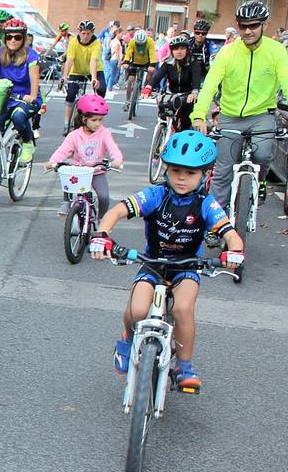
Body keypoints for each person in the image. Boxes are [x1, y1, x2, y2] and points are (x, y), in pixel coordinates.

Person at [89, 131, 245, 392]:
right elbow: (117, 211)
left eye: (190, 173)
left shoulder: (206, 204)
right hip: (152, 262)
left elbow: (231, 235)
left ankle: (184, 367)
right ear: (167, 170)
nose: (181, 178)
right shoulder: (156, 195)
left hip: (187, 266)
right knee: (137, 311)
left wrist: (234, 252)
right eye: (175, 171)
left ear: (205, 175)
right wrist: (101, 236)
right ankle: (127, 341)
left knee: (183, 308)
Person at [189, 0, 288, 214]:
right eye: (243, 26)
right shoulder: (228, 53)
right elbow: (209, 85)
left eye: (253, 25)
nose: (247, 31)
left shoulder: (276, 51)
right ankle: (216, 223)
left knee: (262, 155)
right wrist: (199, 115)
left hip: (262, 115)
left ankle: (260, 182)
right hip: (230, 115)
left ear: (264, 25)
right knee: (223, 171)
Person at [0, 17, 41, 167]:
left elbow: (34, 78)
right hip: (4, 97)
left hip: (25, 96)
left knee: (18, 116)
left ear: (23, 39)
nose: (13, 40)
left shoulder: (31, 55)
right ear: (4, 38)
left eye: (17, 37)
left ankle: (27, 142)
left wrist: (33, 96)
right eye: (9, 36)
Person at [47, 94, 122, 217]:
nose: (98, 123)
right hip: (78, 171)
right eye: (94, 120)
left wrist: (117, 160)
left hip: (97, 172)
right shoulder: (74, 135)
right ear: (83, 119)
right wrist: (53, 162)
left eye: (100, 120)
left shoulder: (104, 133)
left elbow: (112, 147)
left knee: (104, 197)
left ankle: (101, 220)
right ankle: (66, 202)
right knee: (66, 175)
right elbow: (63, 150)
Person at [143, 34, 205, 138]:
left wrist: (194, 92)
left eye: (182, 48)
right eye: (176, 49)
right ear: (171, 51)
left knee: (185, 121)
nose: (179, 51)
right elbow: (157, 76)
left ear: (187, 50)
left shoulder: (193, 63)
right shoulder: (168, 63)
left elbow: (196, 80)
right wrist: (148, 87)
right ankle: (162, 130)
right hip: (171, 94)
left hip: (187, 95)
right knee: (163, 112)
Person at [61, 20, 105, 134]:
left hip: (94, 69)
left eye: (88, 34)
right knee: (71, 94)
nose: (85, 36)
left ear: (92, 33)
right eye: (83, 33)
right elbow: (69, 60)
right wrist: (64, 76)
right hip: (77, 70)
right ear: (79, 32)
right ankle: (66, 123)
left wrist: (94, 78)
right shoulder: (73, 42)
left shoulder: (96, 43)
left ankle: (97, 119)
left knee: (101, 89)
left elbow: (93, 61)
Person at [122, 29, 156, 108]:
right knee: (130, 81)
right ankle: (127, 101)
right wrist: (126, 62)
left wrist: (152, 65)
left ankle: (145, 86)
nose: (140, 45)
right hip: (135, 62)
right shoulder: (132, 41)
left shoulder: (150, 41)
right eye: (138, 43)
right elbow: (128, 53)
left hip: (146, 62)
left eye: (142, 43)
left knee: (151, 72)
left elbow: (152, 54)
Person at [105, 28, 124, 92]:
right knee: (113, 75)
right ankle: (109, 88)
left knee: (111, 74)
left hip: (111, 59)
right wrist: (119, 61)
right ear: (117, 33)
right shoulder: (117, 42)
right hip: (115, 59)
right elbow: (117, 52)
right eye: (121, 33)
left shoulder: (112, 41)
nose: (122, 35)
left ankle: (108, 87)